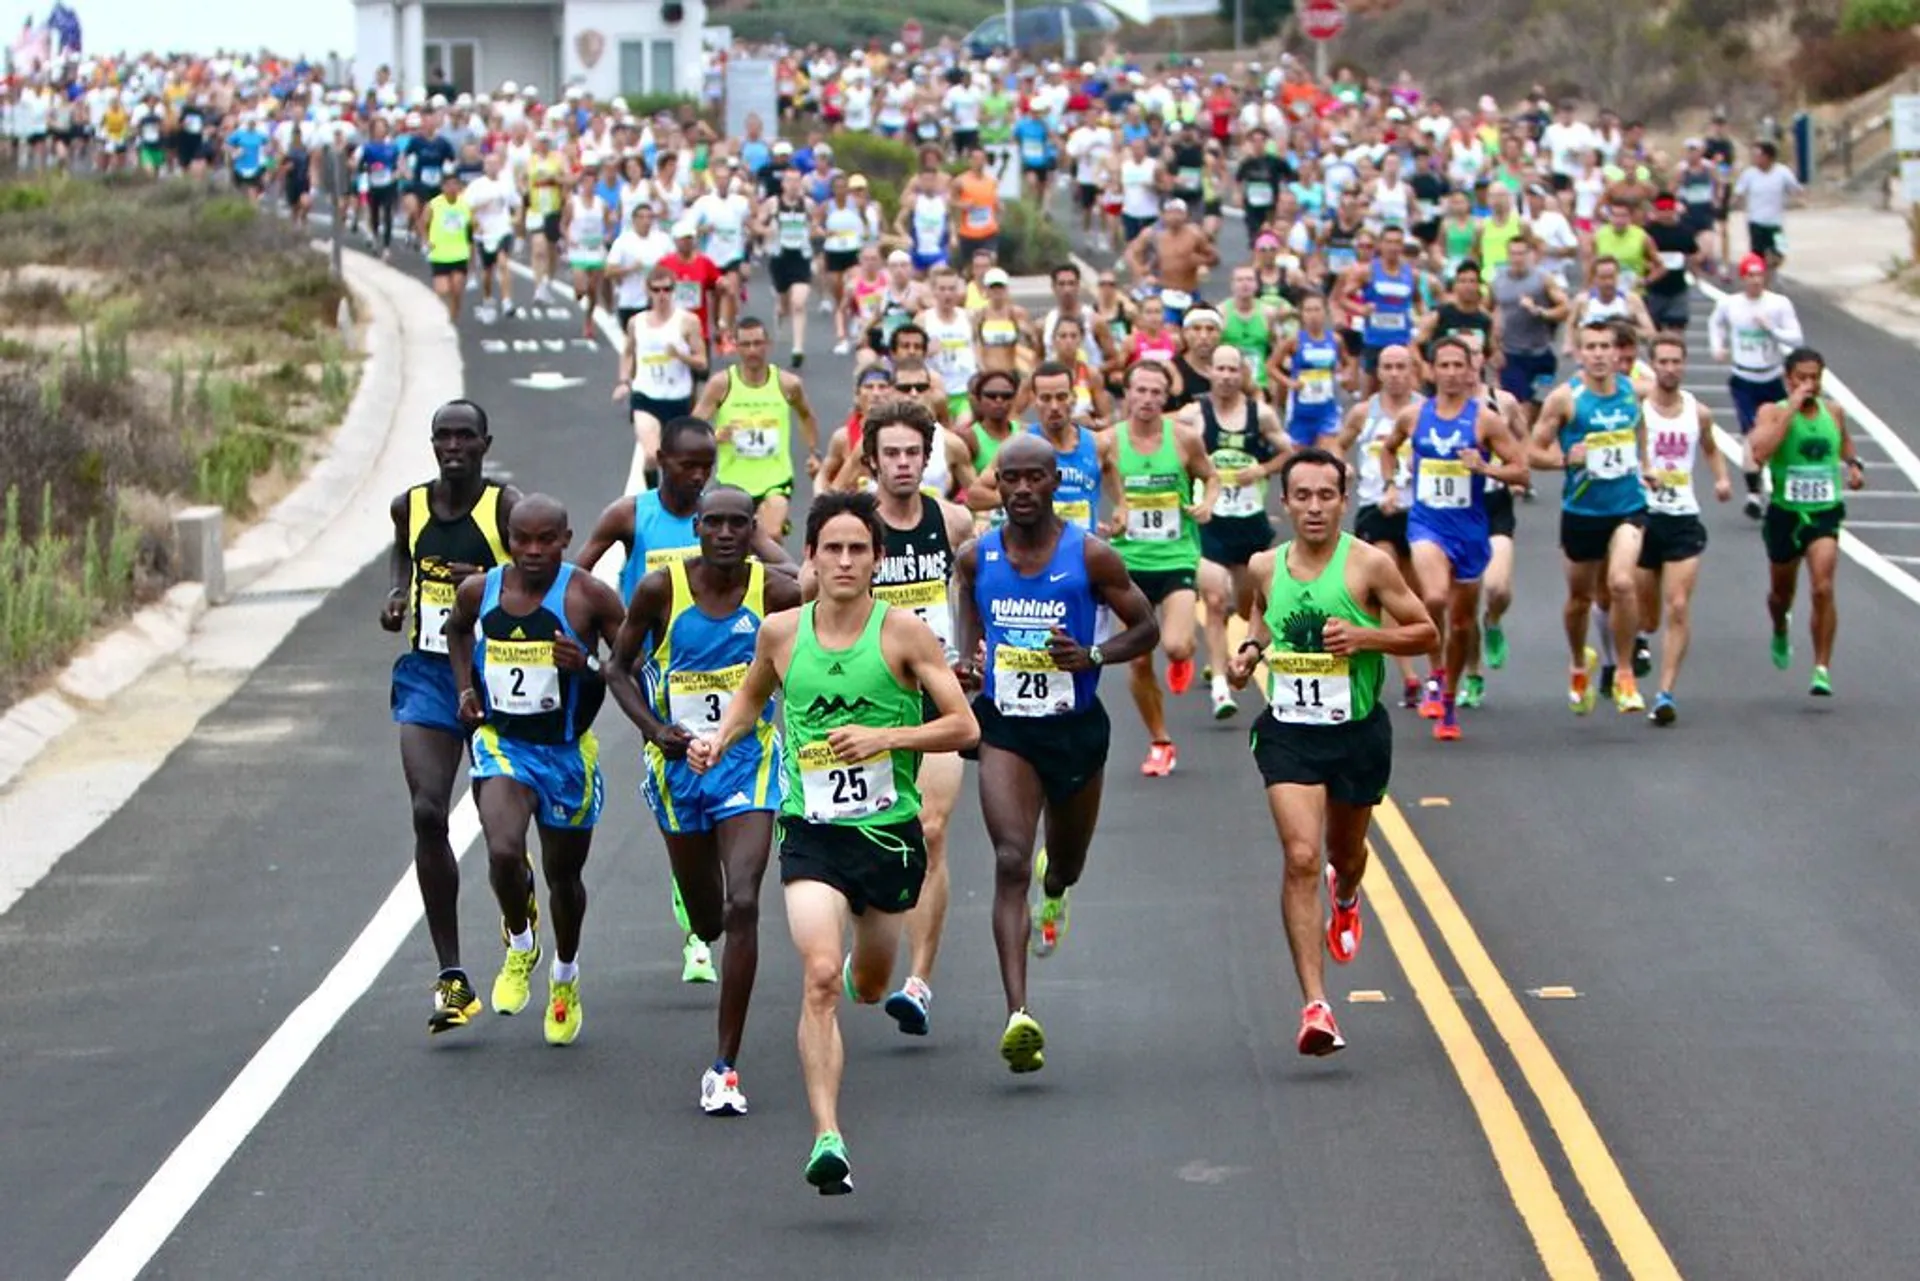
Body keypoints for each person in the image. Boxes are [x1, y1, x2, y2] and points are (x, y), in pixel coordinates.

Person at [687, 491, 978, 1194]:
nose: (845, 560)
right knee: (818, 975)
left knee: (869, 985)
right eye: (832, 548)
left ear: (877, 559)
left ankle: (862, 976)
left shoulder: (904, 633)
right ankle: (828, 1136)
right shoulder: (782, 632)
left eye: (858, 548)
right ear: (810, 557)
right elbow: (755, 693)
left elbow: (964, 726)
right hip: (811, 830)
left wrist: (888, 736)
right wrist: (718, 736)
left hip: (886, 835)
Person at [952, 434, 1159, 1073]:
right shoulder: (976, 555)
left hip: (1074, 730)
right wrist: (969, 657)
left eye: (1032, 479)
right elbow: (968, 601)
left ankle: (1059, 887)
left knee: (1060, 862)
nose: (1019, 490)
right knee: (1010, 858)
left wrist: (1094, 655)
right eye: (1008, 478)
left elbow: (1145, 626)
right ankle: (1019, 1014)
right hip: (1007, 728)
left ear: (1054, 482)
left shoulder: (1090, 556)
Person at [1227, 448, 1437, 1056]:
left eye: (1326, 496)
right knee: (1299, 855)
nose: (1314, 508)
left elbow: (1426, 631)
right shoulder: (1265, 565)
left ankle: (1345, 896)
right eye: (1303, 496)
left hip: (1356, 732)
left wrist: (1367, 637)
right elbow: (1261, 619)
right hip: (1290, 732)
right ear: (1285, 502)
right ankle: (1315, 1006)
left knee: (1345, 855)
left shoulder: (1370, 565)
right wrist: (1248, 654)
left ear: (1344, 500)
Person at [615, 486, 803, 1114]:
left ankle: (725, 1066)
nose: (725, 533)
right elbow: (615, 668)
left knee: (744, 899)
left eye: (737, 524)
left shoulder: (775, 593)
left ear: (753, 530)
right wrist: (656, 730)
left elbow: (827, 635)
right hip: (676, 769)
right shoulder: (659, 590)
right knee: (708, 919)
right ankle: (695, 910)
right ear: (695, 527)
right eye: (713, 523)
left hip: (747, 762)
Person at [444, 496, 646, 1047]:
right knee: (504, 850)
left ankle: (565, 974)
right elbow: (457, 631)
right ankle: (519, 940)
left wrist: (582, 665)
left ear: (565, 539)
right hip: (503, 745)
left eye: (545, 541)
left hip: (566, 754)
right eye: (521, 540)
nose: (532, 551)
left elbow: (630, 666)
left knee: (564, 878)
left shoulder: (589, 597)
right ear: (508, 538)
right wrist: (466, 687)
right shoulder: (479, 591)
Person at [826, 401, 977, 1036]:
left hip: (931, 699)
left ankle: (918, 980)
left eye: (914, 452)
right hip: (861, 704)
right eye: (890, 453)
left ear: (929, 456)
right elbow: (814, 598)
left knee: (933, 828)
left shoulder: (954, 519)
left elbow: (973, 584)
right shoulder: (852, 528)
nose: (903, 464)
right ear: (870, 462)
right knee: (866, 834)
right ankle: (869, 910)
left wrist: (971, 649)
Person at [380, 401, 519, 1034]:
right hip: (429, 675)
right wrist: (397, 594)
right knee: (427, 811)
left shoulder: (504, 507)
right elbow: (404, 558)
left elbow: (535, 576)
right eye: (444, 436)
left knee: (502, 842)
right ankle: (452, 975)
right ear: (432, 443)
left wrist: (489, 579)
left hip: (496, 677)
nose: (454, 446)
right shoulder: (408, 505)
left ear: (485, 443)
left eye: (466, 436)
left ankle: (520, 920)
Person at [1377, 337, 1530, 739]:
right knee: (1435, 598)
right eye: (1442, 365)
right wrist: (1392, 485)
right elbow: (1388, 449)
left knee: (1462, 622)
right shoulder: (1414, 416)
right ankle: (1435, 674)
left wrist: (1485, 468)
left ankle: (1448, 696)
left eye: (1456, 365)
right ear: (1432, 370)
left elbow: (1521, 470)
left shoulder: (1485, 420)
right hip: (1427, 523)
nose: (1449, 373)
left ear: (1469, 371)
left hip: (1471, 529)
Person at [1531, 322, 1651, 717]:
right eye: (1591, 347)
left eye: (1606, 347)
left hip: (1628, 507)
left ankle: (1625, 673)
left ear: (1619, 354)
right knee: (1580, 600)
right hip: (1582, 512)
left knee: (1620, 582)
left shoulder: (1634, 391)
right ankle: (1579, 664)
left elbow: (1641, 430)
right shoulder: (1565, 399)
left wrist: (1645, 465)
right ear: (1579, 353)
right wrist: (1567, 458)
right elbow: (1533, 452)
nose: (1599, 354)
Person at [1110, 360, 1221, 777]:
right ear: (1128, 393)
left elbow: (1211, 477)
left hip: (1175, 557)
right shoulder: (1110, 442)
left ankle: (1182, 658)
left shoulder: (1184, 440)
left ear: (1166, 398)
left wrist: (1208, 502)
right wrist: (1115, 510)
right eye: (1141, 390)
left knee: (1175, 645)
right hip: (1127, 564)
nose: (1148, 400)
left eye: (1157, 393)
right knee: (1138, 661)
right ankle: (1160, 741)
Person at [1177, 346, 1288, 720]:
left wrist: (1263, 470)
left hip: (1249, 523)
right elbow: (1168, 444)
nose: (1225, 375)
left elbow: (1290, 453)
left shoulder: (1261, 414)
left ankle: (1228, 653)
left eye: (1232, 369)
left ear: (1242, 373)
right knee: (1213, 599)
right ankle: (1221, 690)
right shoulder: (1194, 415)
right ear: (1210, 372)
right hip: (1211, 522)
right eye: (1219, 369)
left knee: (1245, 605)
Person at [1750, 347, 1865, 696]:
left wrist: (1854, 465)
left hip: (1824, 511)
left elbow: (1844, 443)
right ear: (1788, 380)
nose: (1809, 384)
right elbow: (1760, 452)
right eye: (1802, 377)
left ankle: (1821, 667)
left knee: (1822, 586)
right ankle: (1780, 628)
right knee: (1781, 595)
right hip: (1786, 513)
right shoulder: (1772, 412)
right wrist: (1791, 412)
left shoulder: (1834, 412)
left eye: (1815, 377)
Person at [1635, 335, 1732, 725]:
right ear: (1653, 365)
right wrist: (1642, 470)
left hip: (1683, 517)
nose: (1670, 368)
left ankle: (1665, 692)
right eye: (1664, 361)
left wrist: (1721, 479)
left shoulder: (1699, 412)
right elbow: (1629, 448)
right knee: (1649, 615)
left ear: (1684, 364)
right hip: (1643, 516)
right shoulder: (1639, 410)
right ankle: (1640, 638)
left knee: (1678, 605)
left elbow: (1710, 447)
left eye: (1677, 361)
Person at [693, 317, 823, 542]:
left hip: (776, 479)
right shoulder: (722, 384)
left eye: (757, 343)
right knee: (736, 546)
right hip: (732, 481)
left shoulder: (787, 384)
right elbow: (693, 429)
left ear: (768, 345)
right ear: (736, 346)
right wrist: (716, 436)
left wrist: (813, 452)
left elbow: (807, 416)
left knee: (769, 535)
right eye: (746, 344)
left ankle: (772, 566)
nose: (752, 350)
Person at [1708, 253, 1803, 518]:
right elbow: (1715, 323)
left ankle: (1779, 485)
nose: (1755, 281)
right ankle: (1753, 494)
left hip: (1771, 377)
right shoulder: (1731, 304)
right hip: (1744, 379)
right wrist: (1718, 346)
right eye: (1749, 275)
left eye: (1759, 275)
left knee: (1777, 433)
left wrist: (1772, 328)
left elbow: (1796, 338)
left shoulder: (1778, 304)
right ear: (1742, 277)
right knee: (1751, 436)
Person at [616, 267, 709, 489]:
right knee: (650, 455)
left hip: (678, 398)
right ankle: (653, 497)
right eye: (656, 290)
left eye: (667, 289)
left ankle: (674, 497)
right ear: (647, 291)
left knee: (677, 461)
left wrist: (681, 356)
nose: (662, 295)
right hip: (646, 397)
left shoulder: (687, 321)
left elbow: (702, 361)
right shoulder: (636, 322)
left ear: (673, 290)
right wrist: (624, 381)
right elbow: (628, 352)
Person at [421, 170, 472, 324]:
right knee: (443, 290)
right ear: (442, 187)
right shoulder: (434, 204)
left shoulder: (465, 204)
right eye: (448, 185)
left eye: (455, 184)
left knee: (457, 289)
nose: (452, 188)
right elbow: (423, 223)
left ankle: (452, 319)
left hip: (460, 253)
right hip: (440, 253)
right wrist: (426, 241)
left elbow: (472, 227)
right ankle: (445, 318)